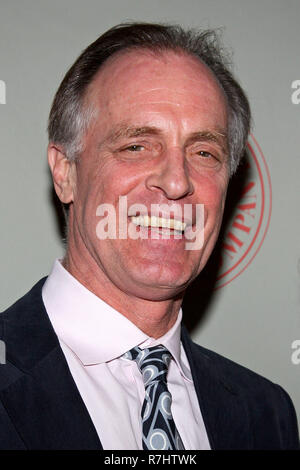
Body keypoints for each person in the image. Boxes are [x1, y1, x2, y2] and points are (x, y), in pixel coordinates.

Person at [0, 22, 298, 450]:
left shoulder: (267, 413)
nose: (176, 181)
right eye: (137, 146)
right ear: (65, 173)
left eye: (203, 152)